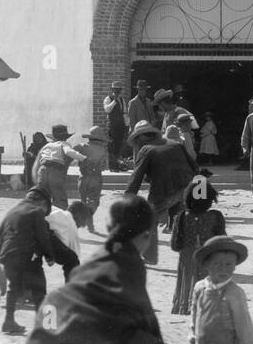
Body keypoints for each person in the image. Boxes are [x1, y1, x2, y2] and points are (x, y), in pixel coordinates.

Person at [0, 196, 196, 344]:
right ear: (146, 235)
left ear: (110, 227)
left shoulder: (101, 259)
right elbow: (123, 332)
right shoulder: (126, 265)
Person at [126, 124, 200, 264]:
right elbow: (194, 167)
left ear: (141, 139)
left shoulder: (146, 149)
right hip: (185, 188)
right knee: (182, 220)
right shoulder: (175, 144)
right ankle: (190, 255)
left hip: (164, 191)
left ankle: (150, 257)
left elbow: (136, 177)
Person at [0, 187, 58, 335]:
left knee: (13, 287)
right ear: (42, 202)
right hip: (27, 255)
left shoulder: (12, 211)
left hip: (7, 254)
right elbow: (43, 237)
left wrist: (2, 259)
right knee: (39, 288)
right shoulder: (36, 211)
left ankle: (8, 321)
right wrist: (49, 256)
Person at [171, 173, 227, 315]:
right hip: (208, 256)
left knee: (188, 275)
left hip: (187, 256)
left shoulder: (181, 217)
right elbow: (221, 240)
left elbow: (175, 244)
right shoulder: (216, 216)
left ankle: (184, 305)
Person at [33, 123, 85, 210]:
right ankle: (59, 216)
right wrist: (83, 158)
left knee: (42, 196)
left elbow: (37, 162)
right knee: (59, 196)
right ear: (65, 137)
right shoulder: (64, 144)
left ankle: (40, 215)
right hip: (56, 171)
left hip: (42, 170)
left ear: (53, 137)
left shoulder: (47, 146)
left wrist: (36, 177)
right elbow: (69, 152)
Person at [76, 125, 108, 233]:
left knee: (84, 202)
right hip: (96, 177)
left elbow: (70, 153)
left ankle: (88, 225)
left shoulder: (81, 146)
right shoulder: (103, 149)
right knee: (94, 202)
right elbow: (105, 166)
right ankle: (86, 221)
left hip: (83, 177)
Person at [46, 200, 85, 282]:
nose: (81, 225)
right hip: (35, 234)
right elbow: (74, 255)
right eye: (83, 220)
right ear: (78, 216)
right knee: (73, 261)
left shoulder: (56, 210)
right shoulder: (70, 223)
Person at [103, 81, 127, 170]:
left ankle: (117, 164)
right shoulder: (108, 98)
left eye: (119, 90)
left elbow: (124, 112)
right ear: (112, 90)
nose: (117, 91)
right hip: (112, 125)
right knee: (111, 145)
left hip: (120, 125)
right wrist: (114, 101)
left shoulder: (122, 99)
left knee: (118, 145)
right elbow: (107, 110)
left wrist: (126, 124)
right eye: (115, 90)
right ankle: (111, 166)